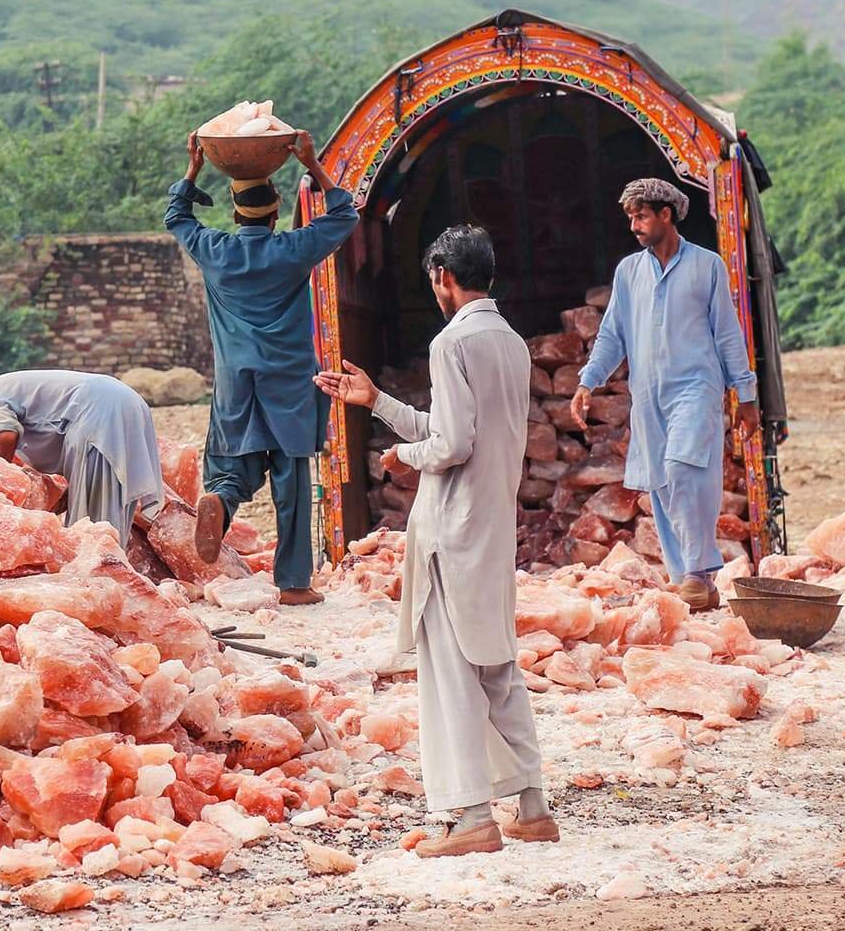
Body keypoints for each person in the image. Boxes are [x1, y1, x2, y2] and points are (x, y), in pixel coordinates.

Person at [316, 225, 553, 856]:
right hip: (493, 523)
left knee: (451, 670)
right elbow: (461, 429)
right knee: (496, 664)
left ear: (444, 277)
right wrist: (379, 402)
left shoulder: (451, 341)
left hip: (454, 527)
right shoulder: (510, 341)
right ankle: (532, 808)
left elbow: (449, 444)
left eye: (433, 280)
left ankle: (472, 817)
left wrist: (400, 456)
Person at [167, 128, 359, 604]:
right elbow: (344, 214)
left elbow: (176, 216)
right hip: (291, 383)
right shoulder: (292, 251)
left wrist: (193, 168)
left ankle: (224, 500)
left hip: (236, 382)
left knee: (234, 464)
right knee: (291, 477)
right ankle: (293, 584)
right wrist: (312, 165)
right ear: (276, 212)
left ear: (234, 213)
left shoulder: (216, 251)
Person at [571, 178, 759, 611]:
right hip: (648, 396)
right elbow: (611, 335)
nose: (634, 225)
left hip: (697, 388)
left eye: (641, 216)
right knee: (659, 481)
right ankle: (692, 582)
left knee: (683, 469)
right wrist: (586, 382)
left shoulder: (706, 265)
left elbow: (727, 334)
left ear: (665, 215)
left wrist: (745, 395)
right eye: (631, 218)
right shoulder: (628, 271)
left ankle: (696, 571)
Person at [0, 370, 164, 546]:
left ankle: (100, 587)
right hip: (125, 402)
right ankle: (112, 582)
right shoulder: (4, 389)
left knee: (91, 532)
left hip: (99, 412)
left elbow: (5, 436)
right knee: (110, 506)